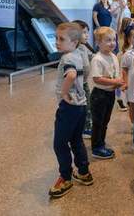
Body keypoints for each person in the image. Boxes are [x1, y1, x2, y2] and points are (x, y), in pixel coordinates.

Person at [49, 22, 93, 199]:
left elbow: (72, 75)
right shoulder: (79, 53)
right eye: (56, 38)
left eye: (61, 39)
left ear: (74, 42)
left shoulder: (68, 58)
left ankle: (66, 177)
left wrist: (64, 92)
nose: (57, 42)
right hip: (81, 106)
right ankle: (83, 172)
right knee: (76, 140)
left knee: (59, 143)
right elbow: (84, 74)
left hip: (68, 108)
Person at [90, 27, 125, 160]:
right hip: (100, 95)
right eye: (108, 40)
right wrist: (115, 81)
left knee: (105, 121)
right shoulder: (97, 59)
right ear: (98, 43)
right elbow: (97, 78)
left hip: (109, 94)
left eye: (114, 40)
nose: (112, 43)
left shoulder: (113, 56)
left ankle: (101, 143)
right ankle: (96, 147)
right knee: (98, 122)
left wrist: (119, 83)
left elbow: (116, 72)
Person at [119, 16, 134, 151]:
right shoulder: (128, 54)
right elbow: (124, 70)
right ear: (129, 39)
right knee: (132, 105)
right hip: (132, 84)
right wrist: (125, 83)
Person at [72, 20, 96, 139]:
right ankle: (84, 129)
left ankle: (86, 126)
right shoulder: (74, 51)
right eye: (84, 33)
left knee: (88, 105)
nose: (87, 35)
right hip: (77, 85)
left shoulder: (83, 48)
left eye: (88, 32)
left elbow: (93, 57)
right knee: (81, 107)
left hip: (85, 83)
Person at [110, 0, 131, 111]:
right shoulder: (115, 5)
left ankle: (126, 98)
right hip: (118, 34)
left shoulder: (130, 35)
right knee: (119, 74)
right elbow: (118, 25)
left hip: (125, 39)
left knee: (127, 76)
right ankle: (119, 99)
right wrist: (121, 9)